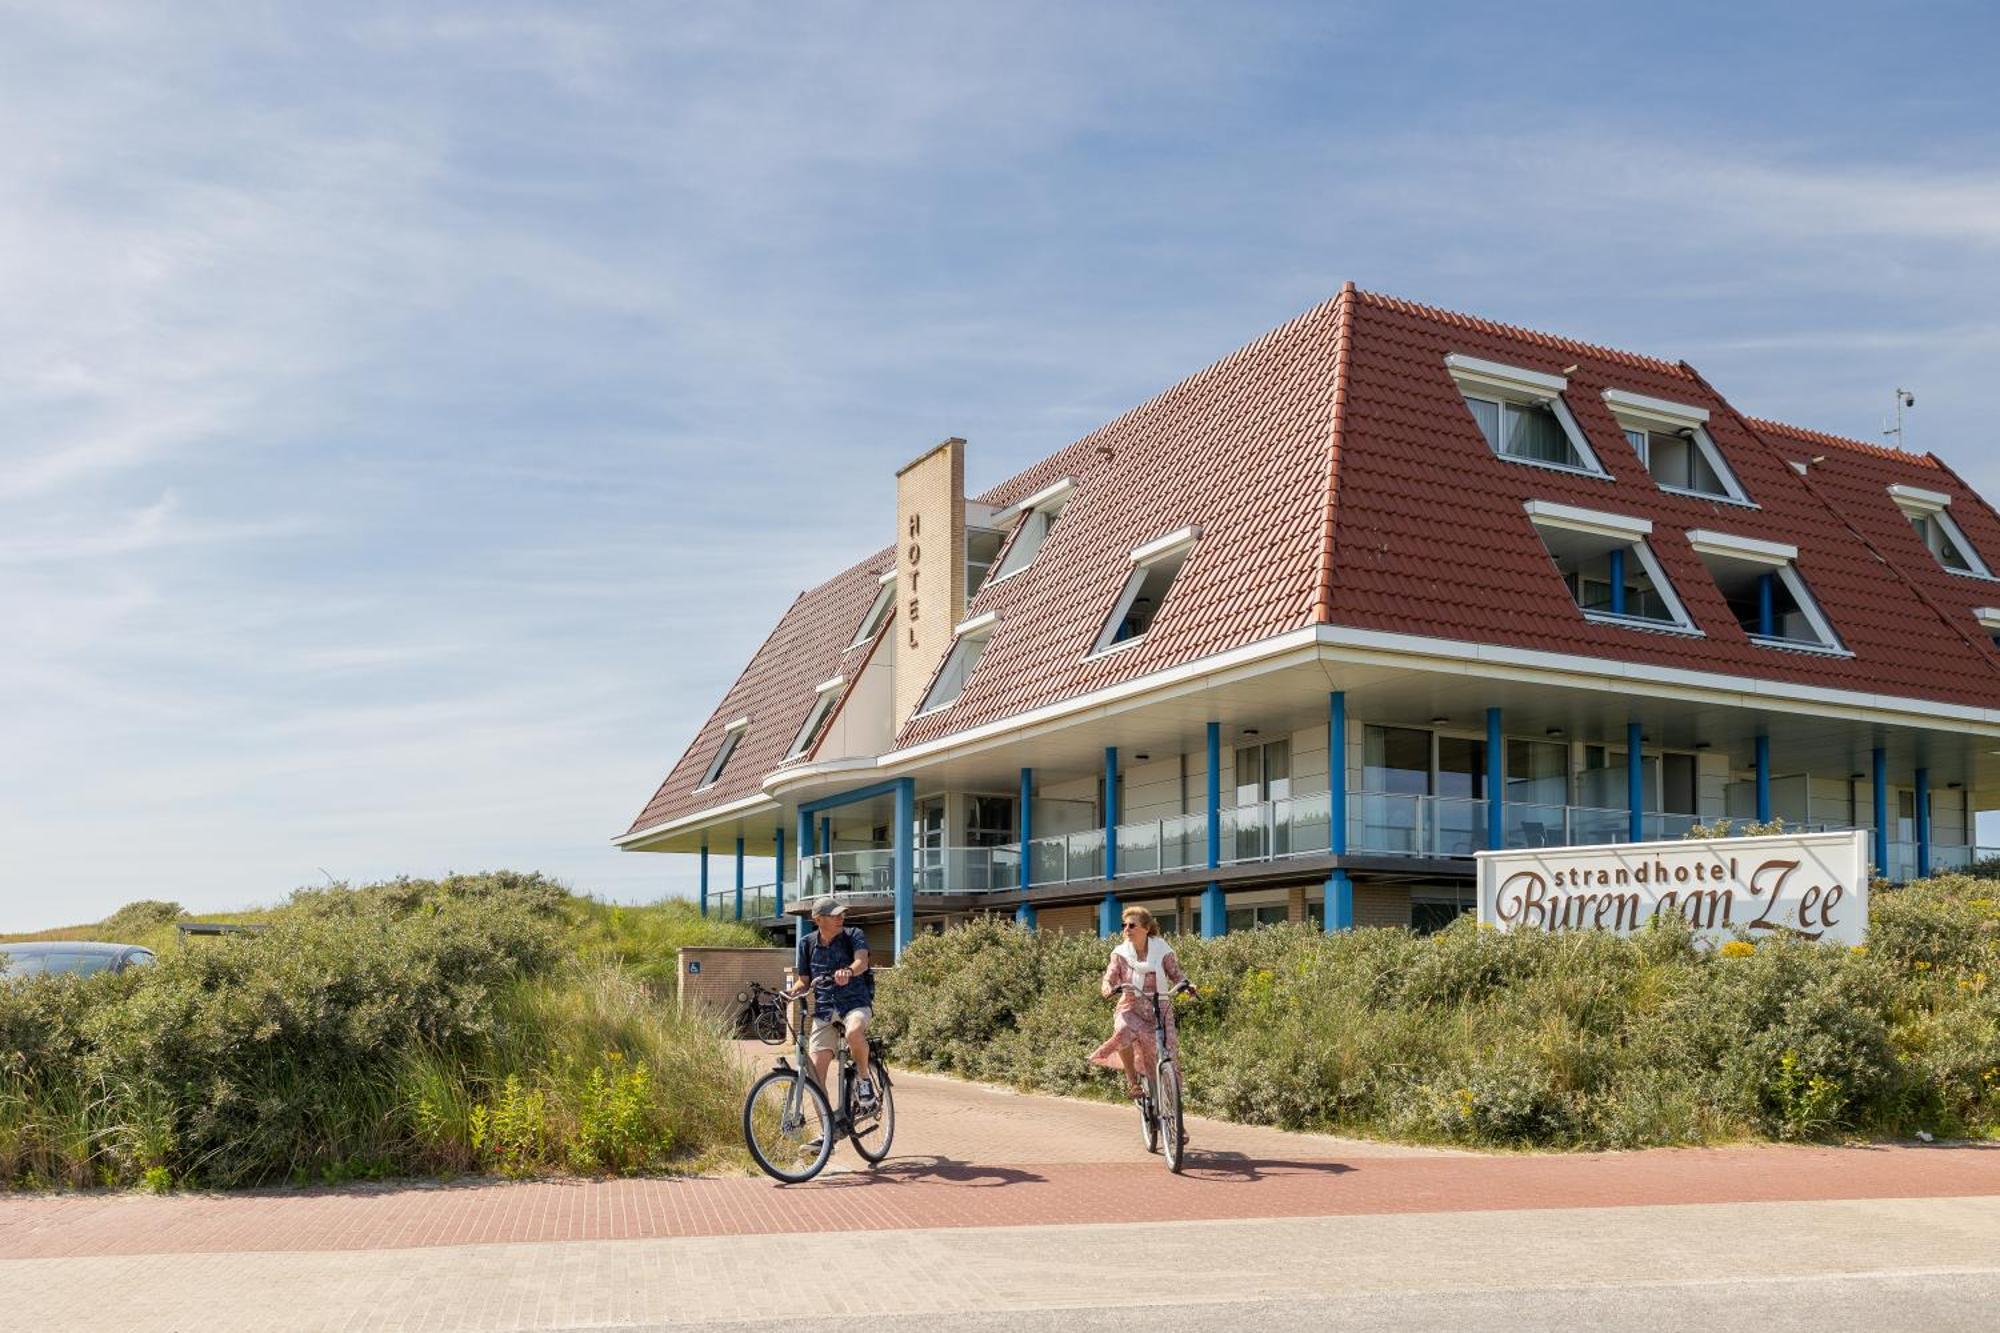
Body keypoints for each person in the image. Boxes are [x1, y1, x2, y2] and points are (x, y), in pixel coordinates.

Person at [1090, 905, 1193, 1099]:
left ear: (1146, 928)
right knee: (1122, 1030)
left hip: (1160, 1007)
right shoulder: (1120, 953)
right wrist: (1107, 987)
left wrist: (1187, 986)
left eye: (1131, 925)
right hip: (1131, 1005)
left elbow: (1177, 975)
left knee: (1168, 1049)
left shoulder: (1162, 949)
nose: (1126, 929)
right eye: (1124, 925)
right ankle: (1133, 1083)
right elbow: (1110, 976)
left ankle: (1169, 1102)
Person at [792, 896, 877, 1113]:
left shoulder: (853, 935)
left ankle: (864, 1079)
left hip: (855, 1003)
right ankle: (827, 1134)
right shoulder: (807, 943)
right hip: (825, 1011)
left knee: (854, 1032)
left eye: (842, 914)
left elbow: (862, 961)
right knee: (815, 1079)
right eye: (835, 915)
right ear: (818, 920)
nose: (841, 918)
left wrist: (848, 971)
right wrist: (789, 993)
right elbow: (804, 980)